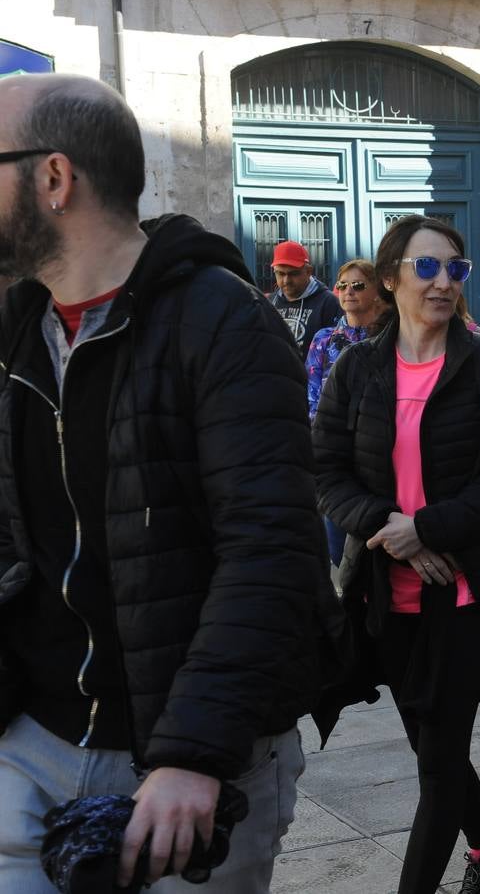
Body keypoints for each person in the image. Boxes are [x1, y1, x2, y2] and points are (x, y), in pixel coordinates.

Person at [0, 72, 329, 892]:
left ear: (53, 177)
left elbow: (270, 551)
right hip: (31, 740)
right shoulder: (14, 327)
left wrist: (191, 756)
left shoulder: (224, 322)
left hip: (193, 767)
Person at [312, 215, 480, 894]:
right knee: (428, 745)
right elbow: (326, 471)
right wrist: (393, 530)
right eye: (427, 267)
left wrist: (431, 530)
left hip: (468, 594)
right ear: (390, 279)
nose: (444, 282)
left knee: (438, 764)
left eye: (455, 269)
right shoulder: (357, 369)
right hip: (388, 590)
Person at [307, 258, 389, 565]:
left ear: (377, 292)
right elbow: (313, 397)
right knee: (339, 549)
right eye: (342, 285)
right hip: (338, 458)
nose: (348, 292)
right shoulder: (324, 339)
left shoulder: (389, 336)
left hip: (379, 455)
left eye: (357, 285)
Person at [268, 239, 342, 354]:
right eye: (281, 274)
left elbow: (335, 351)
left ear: (308, 271)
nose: (286, 280)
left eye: (293, 273)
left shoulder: (328, 302)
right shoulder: (270, 301)